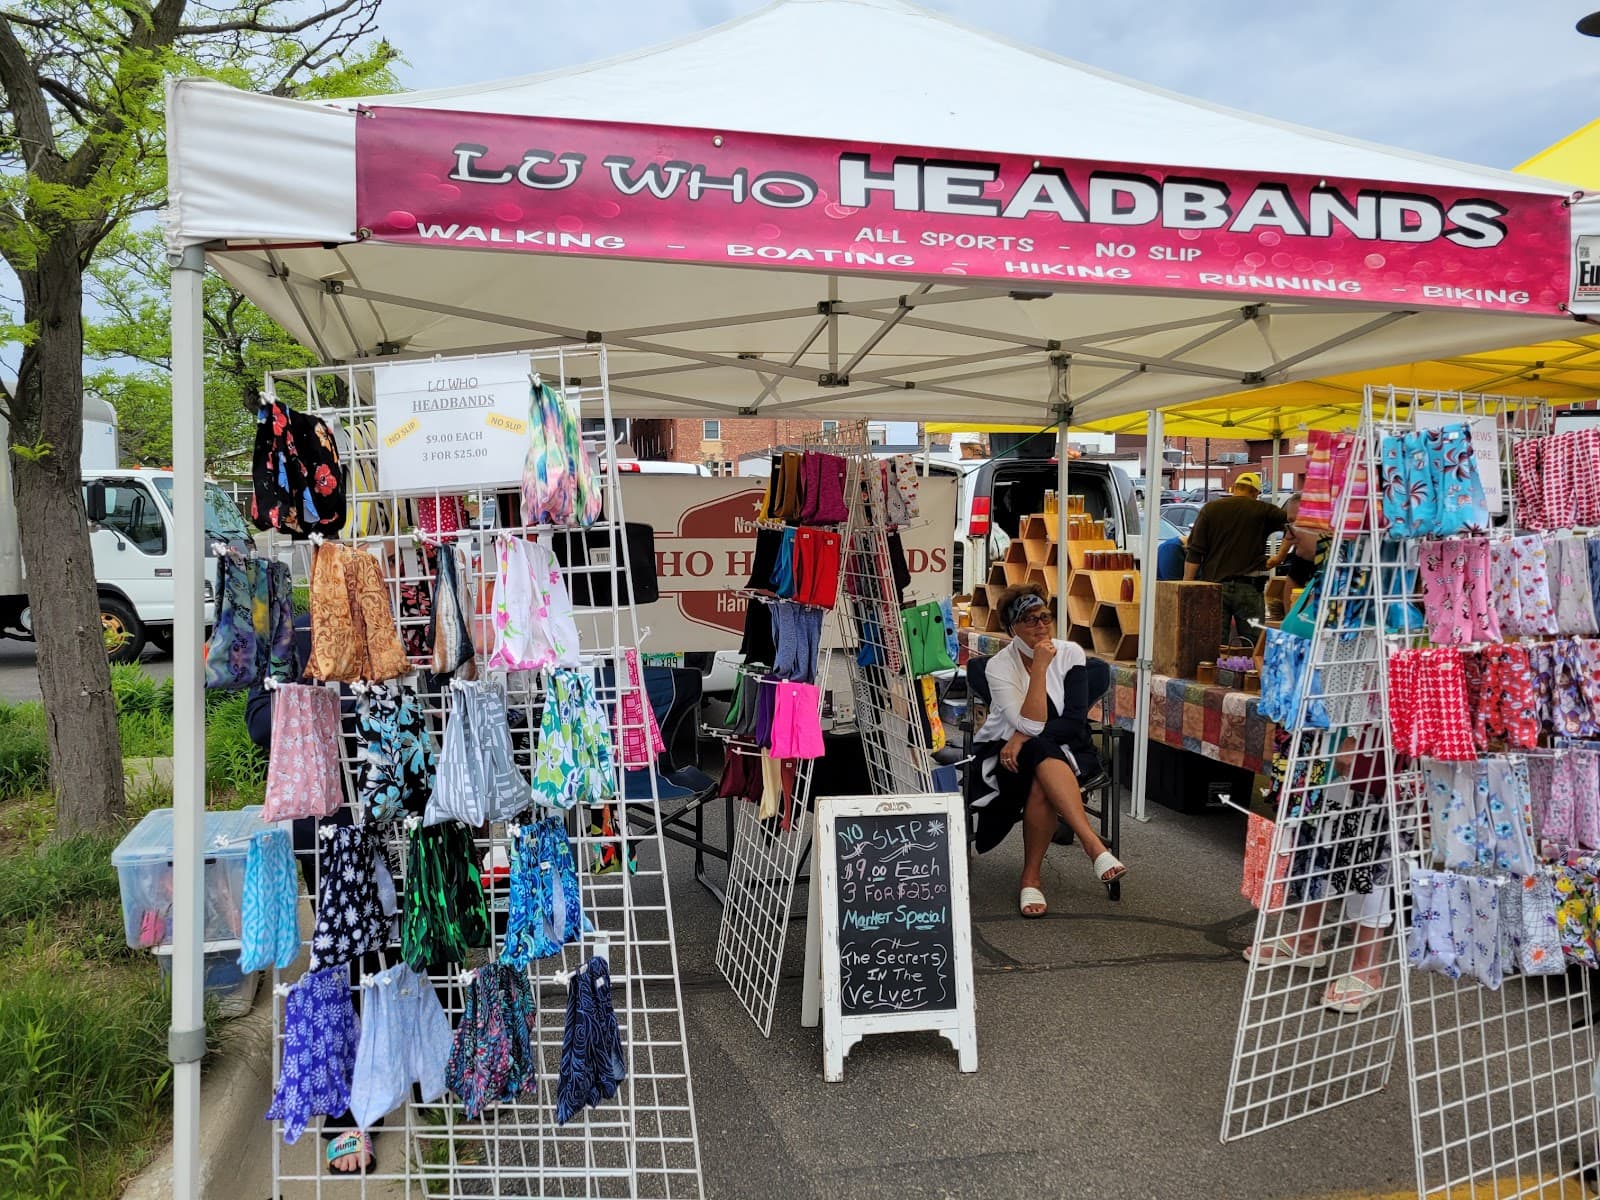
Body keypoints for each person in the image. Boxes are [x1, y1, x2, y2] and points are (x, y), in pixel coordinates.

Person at [967, 583, 1127, 918]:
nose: (1041, 625)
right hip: (1006, 757)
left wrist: (1023, 738)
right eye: (1029, 619)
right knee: (1038, 751)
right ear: (1012, 629)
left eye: (1045, 617)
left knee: (1041, 768)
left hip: (1065, 747)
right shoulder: (999, 666)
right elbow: (1030, 724)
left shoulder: (1070, 653)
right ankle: (1092, 845)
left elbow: (1071, 721)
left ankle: (1032, 878)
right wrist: (1039, 667)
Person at [1183, 470, 1289, 645]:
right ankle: (1247, 672)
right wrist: (1278, 558)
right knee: (1252, 645)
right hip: (1249, 587)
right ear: (1255, 492)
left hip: (1214, 589)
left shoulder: (1210, 509)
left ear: (1235, 488)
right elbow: (1294, 524)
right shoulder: (1262, 510)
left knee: (1213, 644)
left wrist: (1187, 585)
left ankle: (1216, 672)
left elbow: (1195, 552)